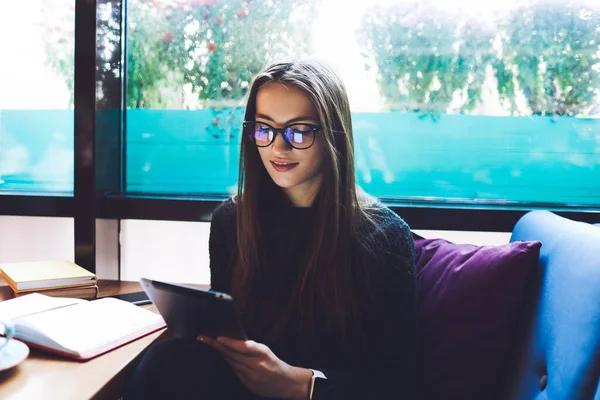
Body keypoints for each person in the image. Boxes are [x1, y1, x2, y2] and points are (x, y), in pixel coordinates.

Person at [124, 58, 417, 400]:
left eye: (299, 130)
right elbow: (225, 337)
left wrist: (299, 384)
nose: (279, 147)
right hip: (238, 390)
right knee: (167, 358)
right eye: (264, 129)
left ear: (334, 135)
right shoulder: (231, 221)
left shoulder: (383, 236)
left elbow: (399, 382)